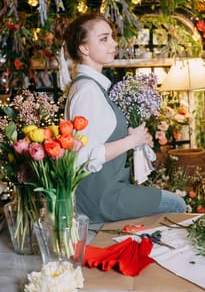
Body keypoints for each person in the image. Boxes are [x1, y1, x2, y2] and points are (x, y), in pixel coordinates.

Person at [63, 12, 186, 223]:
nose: (113, 43)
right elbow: (82, 157)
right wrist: (131, 141)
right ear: (84, 48)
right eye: (104, 39)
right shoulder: (87, 91)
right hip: (99, 197)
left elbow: (101, 136)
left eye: (111, 36)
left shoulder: (96, 87)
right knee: (177, 204)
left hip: (110, 189)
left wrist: (135, 139)